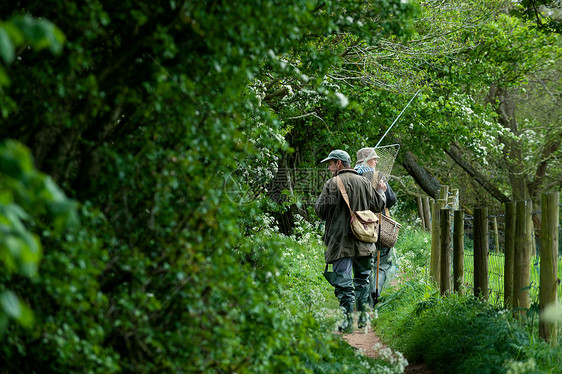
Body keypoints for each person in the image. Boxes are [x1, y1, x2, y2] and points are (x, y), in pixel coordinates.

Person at [315, 149, 386, 332]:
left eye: (330, 164)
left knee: (344, 281)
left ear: (339, 164)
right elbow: (378, 205)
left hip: (340, 243)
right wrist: (381, 191)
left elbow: (320, 211)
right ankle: (363, 320)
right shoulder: (364, 182)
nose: (329, 167)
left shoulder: (332, 184)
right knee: (362, 281)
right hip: (365, 240)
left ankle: (346, 322)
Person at [354, 147, 398, 307]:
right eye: (374, 159)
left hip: (358, 228)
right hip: (378, 227)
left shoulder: (351, 176)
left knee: (363, 264)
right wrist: (382, 191)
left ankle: (361, 300)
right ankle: (374, 294)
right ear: (366, 161)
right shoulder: (376, 176)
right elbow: (391, 200)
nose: (377, 162)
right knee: (383, 263)